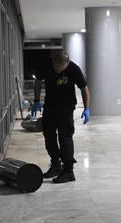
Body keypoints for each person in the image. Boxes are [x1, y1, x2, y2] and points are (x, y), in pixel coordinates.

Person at [31, 51, 90, 184]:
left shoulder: (74, 69)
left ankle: (69, 171)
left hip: (66, 107)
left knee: (65, 137)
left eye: (60, 67)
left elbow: (84, 88)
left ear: (67, 63)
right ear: (53, 62)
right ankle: (56, 165)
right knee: (49, 135)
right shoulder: (46, 65)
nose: (57, 69)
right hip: (50, 106)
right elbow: (38, 81)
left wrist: (86, 108)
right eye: (55, 66)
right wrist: (36, 100)